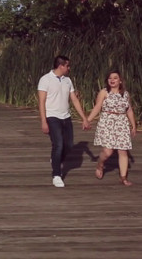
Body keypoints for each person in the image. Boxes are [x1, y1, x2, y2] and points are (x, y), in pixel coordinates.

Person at [37, 55, 90, 188]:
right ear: (61, 66)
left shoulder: (67, 81)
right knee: (58, 144)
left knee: (69, 145)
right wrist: (43, 121)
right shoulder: (45, 79)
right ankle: (56, 175)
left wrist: (84, 118)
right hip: (52, 116)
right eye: (67, 66)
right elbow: (41, 102)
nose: (69, 68)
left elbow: (74, 100)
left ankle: (56, 159)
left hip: (66, 116)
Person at [86, 70, 137, 186]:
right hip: (107, 122)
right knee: (107, 152)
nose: (112, 80)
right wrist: (88, 120)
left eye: (115, 78)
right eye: (110, 78)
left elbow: (129, 110)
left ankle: (123, 178)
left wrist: (133, 125)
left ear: (120, 81)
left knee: (122, 151)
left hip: (122, 123)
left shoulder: (125, 94)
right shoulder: (104, 92)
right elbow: (97, 107)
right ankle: (100, 164)